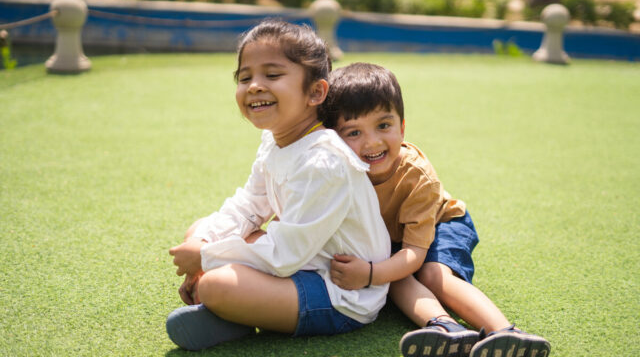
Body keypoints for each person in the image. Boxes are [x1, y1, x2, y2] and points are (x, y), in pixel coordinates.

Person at [165, 21, 391, 351]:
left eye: (272, 75)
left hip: (339, 291)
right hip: (302, 260)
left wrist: (206, 258)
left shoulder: (324, 162)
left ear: (316, 92)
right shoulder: (273, 141)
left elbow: (285, 256)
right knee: (200, 228)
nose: (255, 86)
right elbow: (250, 205)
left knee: (215, 284)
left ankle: (226, 307)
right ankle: (234, 313)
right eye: (245, 78)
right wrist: (204, 243)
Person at [321, 63, 551, 357]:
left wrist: (368, 274)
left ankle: (506, 332)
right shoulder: (331, 170)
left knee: (432, 274)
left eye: (383, 125)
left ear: (402, 127)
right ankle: (446, 329)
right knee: (394, 277)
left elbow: (414, 255)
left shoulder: (417, 175)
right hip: (391, 238)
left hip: (442, 223)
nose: (373, 142)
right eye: (353, 132)